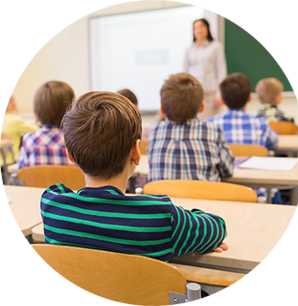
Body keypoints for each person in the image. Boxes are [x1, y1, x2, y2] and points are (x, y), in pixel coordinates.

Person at [40, 91, 228, 262]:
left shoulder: (52, 205)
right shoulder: (162, 216)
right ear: (136, 152)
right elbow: (217, 227)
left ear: (71, 156)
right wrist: (184, 240)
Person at [147, 73, 234, 183]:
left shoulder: (155, 131)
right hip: (203, 199)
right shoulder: (212, 131)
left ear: (162, 110)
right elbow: (228, 170)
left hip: (161, 200)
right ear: (202, 107)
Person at [207, 73, 279, 149]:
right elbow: (274, 143)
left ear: (221, 100)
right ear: (250, 98)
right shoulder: (262, 125)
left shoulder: (210, 126)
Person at [17, 81, 75, 169]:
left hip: (36, 183)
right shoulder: (75, 140)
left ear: (37, 109)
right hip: (72, 183)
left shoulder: (29, 139)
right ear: (71, 107)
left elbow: (21, 169)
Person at [183, 18, 227, 121]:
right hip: (195, 93)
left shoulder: (216, 46)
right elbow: (185, 73)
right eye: (195, 28)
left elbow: (221, 70)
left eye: (201, 27)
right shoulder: (189, 50)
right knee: (196, 122)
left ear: (207, 28)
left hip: (211, 93)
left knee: (211, 122)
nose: (199, 30)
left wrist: (219, 94)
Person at [0, 94, 39, 166]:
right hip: (10, 161)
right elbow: (38, 131)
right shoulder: (14, 119)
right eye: (14, 101)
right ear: (7, 104)